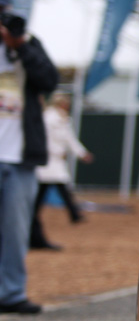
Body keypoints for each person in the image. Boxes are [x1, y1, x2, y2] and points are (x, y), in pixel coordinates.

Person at [0, 0, 59, 314]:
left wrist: (20, 45)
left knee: (15, 230)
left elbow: (49, 80)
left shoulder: (27, 45)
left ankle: (10, 293)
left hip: (19, 154)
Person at [30, 91, 93, 250]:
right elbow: (45, 139)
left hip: (54, 162)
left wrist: (81, 153)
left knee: (52, 191)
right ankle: (73, 214)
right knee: (54, 190)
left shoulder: (61, 118)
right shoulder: (49, 118)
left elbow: (69, 139)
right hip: (47, 161)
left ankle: (73, 214)